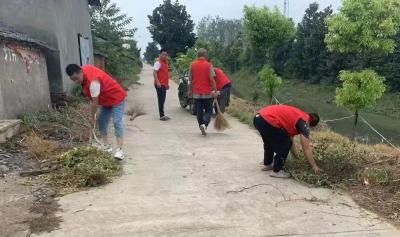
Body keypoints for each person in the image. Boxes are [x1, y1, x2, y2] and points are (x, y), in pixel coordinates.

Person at [65, 64, 126, 160]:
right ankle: (106, 146)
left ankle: (119, 150)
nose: (76, 82)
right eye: (73, 80)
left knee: (116, 121)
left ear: (80, 72)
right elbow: (91, 98)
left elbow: (95, 102)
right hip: (106, 100)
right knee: (101, 120)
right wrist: (92, 117)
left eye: (76, 78)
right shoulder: (83, 72)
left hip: (116, 97)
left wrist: (92, 116)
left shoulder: (93, 81)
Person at [253, 105, 321, 178]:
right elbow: (306, 148)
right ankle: (277, 171)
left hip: (258, 118)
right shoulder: (304, 123)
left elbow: (290, 140)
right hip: (267, 120)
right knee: (285, 144)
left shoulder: (299, 116)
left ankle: (268, 164)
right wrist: (314, 166)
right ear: (311, 126)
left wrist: (295, 156)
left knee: (270, 142)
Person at [188, 49, 218, 136]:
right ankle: (204, 124)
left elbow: (190, 79)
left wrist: (189, 90)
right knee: (209, 110)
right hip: (207, 93)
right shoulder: (209, 65)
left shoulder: (192, 65)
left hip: (196, 93)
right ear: (205, 55)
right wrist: (215, 91)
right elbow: (212, 80)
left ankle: (201, 125)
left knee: (199, 111)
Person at [153, 49, 170, 121]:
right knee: (161, 99)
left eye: (166, 55)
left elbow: (165, 74)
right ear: (159, 55)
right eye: (163, 54)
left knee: (163, 99)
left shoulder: (165, 63)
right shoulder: (158, 63)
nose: (164, 56)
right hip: (159, 84)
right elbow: (154, 72)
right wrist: (157, 82)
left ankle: (162, 114)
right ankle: (161, 115)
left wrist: (167, 84)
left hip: (164, 84)